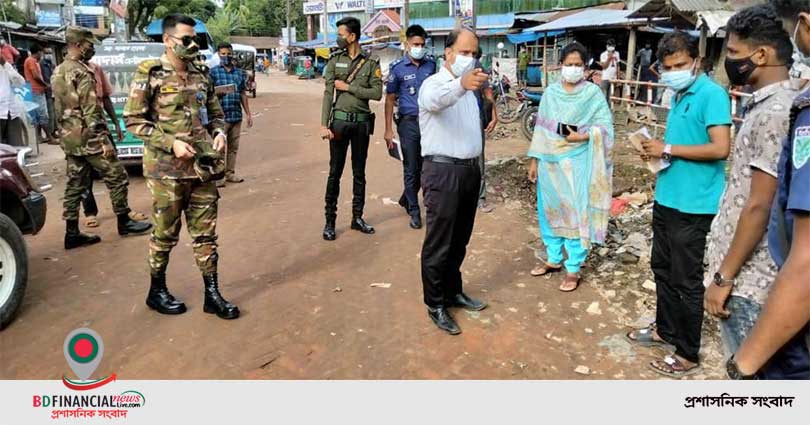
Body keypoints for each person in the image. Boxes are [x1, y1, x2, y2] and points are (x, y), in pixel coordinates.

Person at [704, 4, 808, 380]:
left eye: (732, 53)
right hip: (747, 276)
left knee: (756, 379)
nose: (729, 61)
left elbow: (759, 205)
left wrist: (723, 278)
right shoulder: (772, 104)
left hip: (751, 282)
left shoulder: (774, 113)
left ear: (760, 55)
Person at [626, 31, 733, 378]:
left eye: (681, 65)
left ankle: (687, 351)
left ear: (697, 61)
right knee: (662, 270)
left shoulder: (712, 95)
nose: (674, 71)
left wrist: (667, 150)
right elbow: (681, 145)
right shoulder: (678, 95)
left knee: (686, 280)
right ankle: (664, 329)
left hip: (695, 205)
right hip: (668, 197)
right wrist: (655, 151)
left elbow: (720, 148)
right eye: (669, 66)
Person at [123, 14, 239, 320]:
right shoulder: (150, 72)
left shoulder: (202, 72)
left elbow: (215, 113)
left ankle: (212, 294)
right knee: (165, 234)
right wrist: (170, 142)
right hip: (167, 172)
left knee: (206, 234)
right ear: (167, 40)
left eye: (195, 39)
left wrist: (219, 133)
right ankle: (156, 290)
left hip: (202, 169)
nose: (192, 45)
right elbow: (133, 120)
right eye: (185, 39)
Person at [51, 27, 152, 250]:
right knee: (117, 176)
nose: (92, 48)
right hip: (90, 137)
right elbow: (91, 111)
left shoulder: (58, 71)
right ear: (77, 44)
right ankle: (124, 222)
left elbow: (58, 110)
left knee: (75, 184)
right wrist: (104, 140)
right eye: (89, 44)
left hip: (70, 138)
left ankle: (71, 232)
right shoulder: (82, 72)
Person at [417, 28, 489, 335]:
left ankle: (452, 291)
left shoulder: (472, 92)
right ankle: (435, 303)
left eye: (475, 54)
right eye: (464, 52)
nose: (470, 59)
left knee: (460, 238)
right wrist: (460, 84)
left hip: (470, 171)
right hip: (443, 172)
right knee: (440, 242)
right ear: (447, 52)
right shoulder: (433, 84)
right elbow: (436, 102)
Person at [527, 42, 614, 292]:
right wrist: (534, 160)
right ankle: (554, 258)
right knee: (550, 209)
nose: (573, 69)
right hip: (548, 160)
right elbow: (541, 129)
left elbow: (606, 127)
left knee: (576, 212)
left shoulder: (592, 94)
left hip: (577, 160)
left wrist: (584, 136)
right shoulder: (551, 93)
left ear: (585, 68)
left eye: (578, 65)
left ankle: (574, 267)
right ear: (560, 65)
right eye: (569, 64)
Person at [319, 17, 383, 241]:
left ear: (353, 36)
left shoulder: (371, 62)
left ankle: (357, 217)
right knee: (334, 173)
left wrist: (349, 87)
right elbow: (328, 94)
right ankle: (330, 222)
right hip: (339, 123)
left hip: (361, 124)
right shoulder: (335, 60)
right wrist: (323, 124)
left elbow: (376, 93)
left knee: (359, 173)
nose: (338, 38)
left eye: (341, 34)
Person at [81, 60, 147, 228]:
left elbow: (105, 98)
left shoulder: (96, 68)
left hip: (101, 129)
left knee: (116, 172)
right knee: (84, 175)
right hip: (81, 134)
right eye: (88, 45)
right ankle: (90, 213)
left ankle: (123, 212)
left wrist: (116, 124)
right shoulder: (66, 72)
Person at [384, 24, 436, 230]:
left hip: (430, 123)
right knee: (411, 167)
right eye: (416, 44)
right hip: (408, 123)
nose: (419, 48)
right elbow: (389, 100)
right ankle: (414, 211)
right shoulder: (397, 68)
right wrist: (388, 130)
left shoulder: (431, 65)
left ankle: (407, 197)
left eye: (422, 44)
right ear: (407, 45)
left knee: (427, 167)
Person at [209, 42, 253, 187]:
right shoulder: (213, 73)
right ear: (218, 55)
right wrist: (218, 93)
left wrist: (248, 114)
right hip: (220, 117)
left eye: (228, 54)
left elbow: (243, 94)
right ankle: (219, 175)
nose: (226, 57)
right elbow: (208, 94)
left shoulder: (239, 73)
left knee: (233, 148)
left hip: (236, 115)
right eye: (223, 54)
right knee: (220, 147)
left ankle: (230, 173)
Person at [474, 48, 498, 213]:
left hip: (476, 121)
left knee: (479, 161)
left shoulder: (478, 68)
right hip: (455, 123)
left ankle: (480, 198)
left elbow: (488, 92)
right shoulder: (449, 69)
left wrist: (494, 115)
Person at [23, 44, 55, 145]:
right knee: (43, 115)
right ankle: (50, 137)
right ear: (38, 52)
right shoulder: (31, 61)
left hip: (36, 90)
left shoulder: (33, 61)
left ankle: (40, 137)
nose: (42, 54)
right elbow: (35, 76)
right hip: (36, 90)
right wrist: (46, 85)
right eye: (41, 52)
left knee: (38, 115)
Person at [0, 52, 25, 146]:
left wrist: (5, 65)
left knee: (16, 147)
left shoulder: (6, 66)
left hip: (11, 111)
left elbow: (20, 82)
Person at [39, 47, 58, 144]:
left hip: (53, 90)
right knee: (50, 113)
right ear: (43, 53)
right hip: (48, 91)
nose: (49, 55)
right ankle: (50, 133)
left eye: (50, 53)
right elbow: (46, 78)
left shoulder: (51, 64)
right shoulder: (42, 64)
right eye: (47, 53)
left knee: (54, 113)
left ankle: (54, 131)